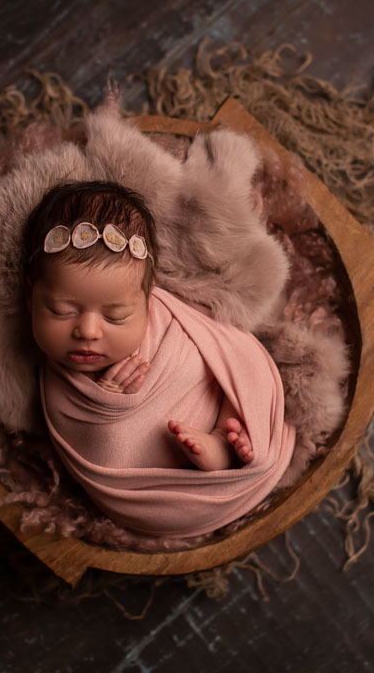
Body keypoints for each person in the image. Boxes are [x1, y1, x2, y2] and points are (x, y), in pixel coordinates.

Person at [23, 179, 257, 471]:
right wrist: (105, 403)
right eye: (62, 311)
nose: (88, 332)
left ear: (148, 302)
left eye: (116, 316)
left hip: (212, 398)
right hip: (152, 465)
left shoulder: (169, 319)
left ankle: (224, 436)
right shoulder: (60, 387)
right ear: (30, 297)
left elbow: (224, 345)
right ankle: (213, 453)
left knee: (241, 370)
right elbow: (93, 455)